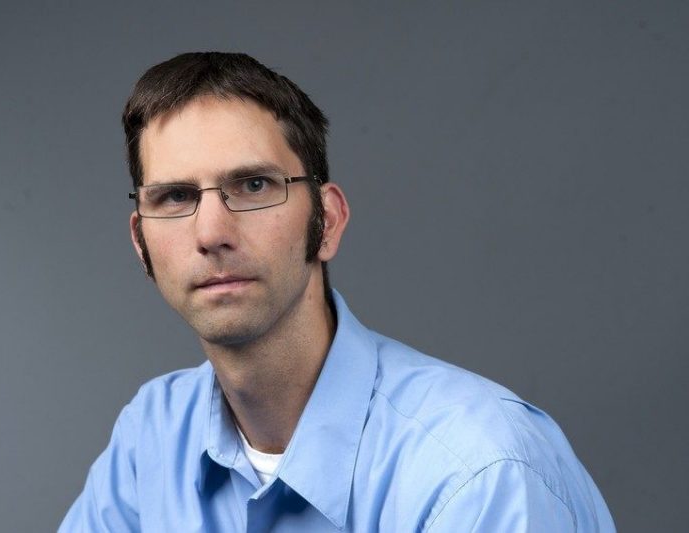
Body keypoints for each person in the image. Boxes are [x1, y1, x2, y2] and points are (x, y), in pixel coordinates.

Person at [59, 52, 615, 532]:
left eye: (253, 186)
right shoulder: (152, 434)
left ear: (326, 220)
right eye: (176, 197)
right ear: (141, 242)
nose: (210, 234)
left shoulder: (480, 470)